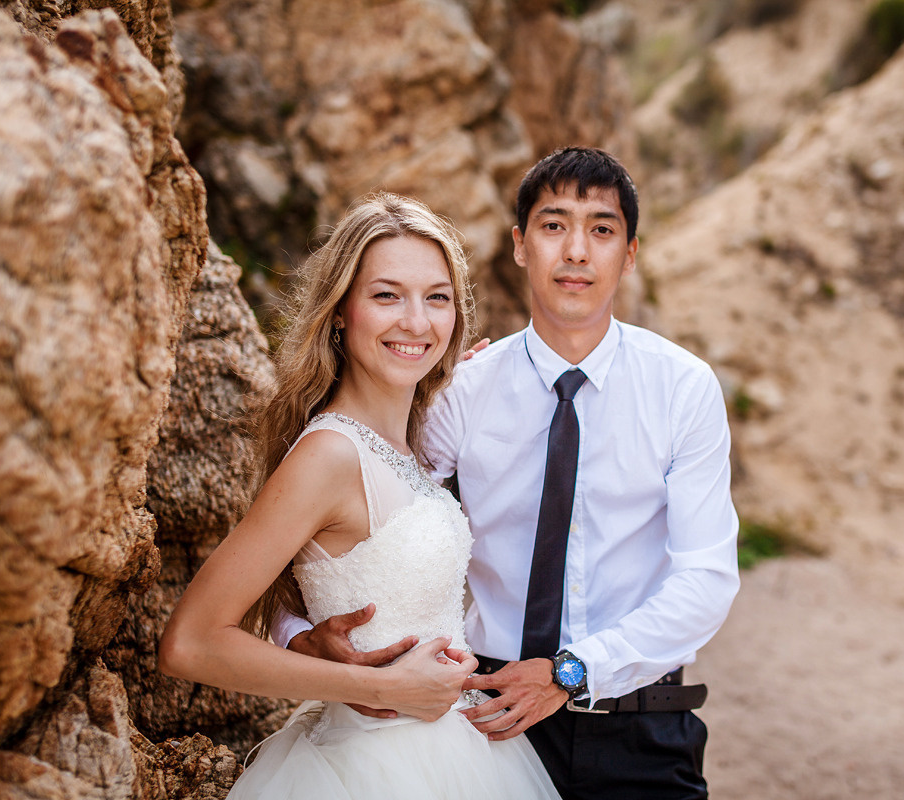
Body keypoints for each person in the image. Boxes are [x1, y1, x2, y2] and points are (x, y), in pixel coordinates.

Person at [278, 147, 741, 799]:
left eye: (601, 230)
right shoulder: (460, 393)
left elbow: (706, 578)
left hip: (640, 726)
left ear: (629, 253)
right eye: (554, 225)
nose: (576, 251)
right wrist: (300, 637)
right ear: (521, 246)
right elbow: (366, 522)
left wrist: (570, 671)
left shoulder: (682, 388)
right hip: (486, 723)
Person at [158, 192, 560, 799]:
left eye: (437, 298)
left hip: (459, 755)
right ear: (341, 311)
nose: (416, 322)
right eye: (386, 295)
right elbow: (189, 642)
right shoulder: (330, 455)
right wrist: (383, 689)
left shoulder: (406, 448)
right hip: (372, 767)